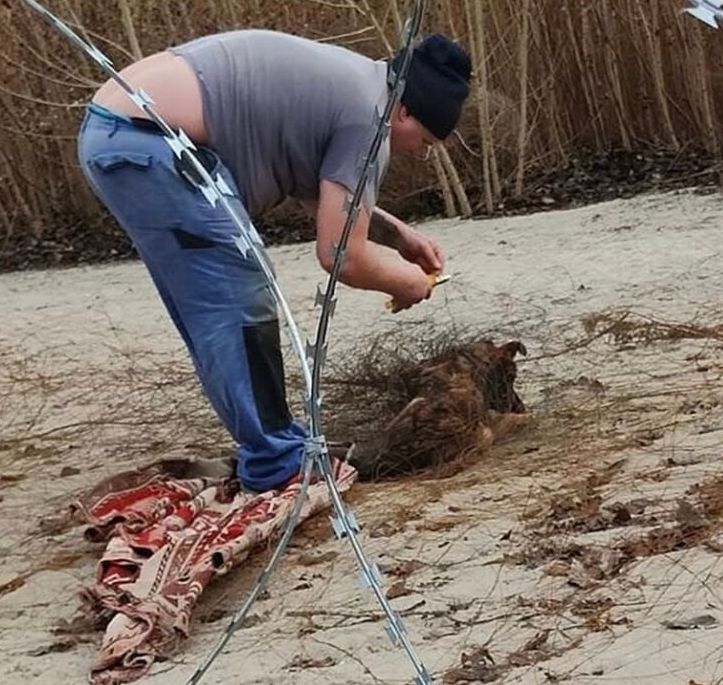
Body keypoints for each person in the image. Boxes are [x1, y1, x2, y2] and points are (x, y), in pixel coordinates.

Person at [77, 28, 472, 492]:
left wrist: (398, 235)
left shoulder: (359, 85)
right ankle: (276, 463)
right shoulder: (371, 118)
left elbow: (325, 198)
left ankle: (276, 447)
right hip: (151, 142)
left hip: (119, 132)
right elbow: (341, 255)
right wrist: (405, 282)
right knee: (237, 294)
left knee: (214, 300)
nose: (418, 151)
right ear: (405, 109)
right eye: (423, 139)